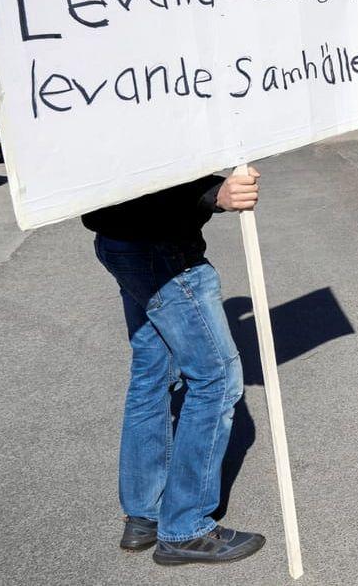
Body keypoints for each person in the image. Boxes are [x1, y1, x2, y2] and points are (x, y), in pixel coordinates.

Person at [84, 170, 267, 566]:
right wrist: (212, 193)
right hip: (158, 246)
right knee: (216, 380)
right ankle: (186, 528)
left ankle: (144, 513)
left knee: (152, 376)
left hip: (125, 239)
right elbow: (151, 155)